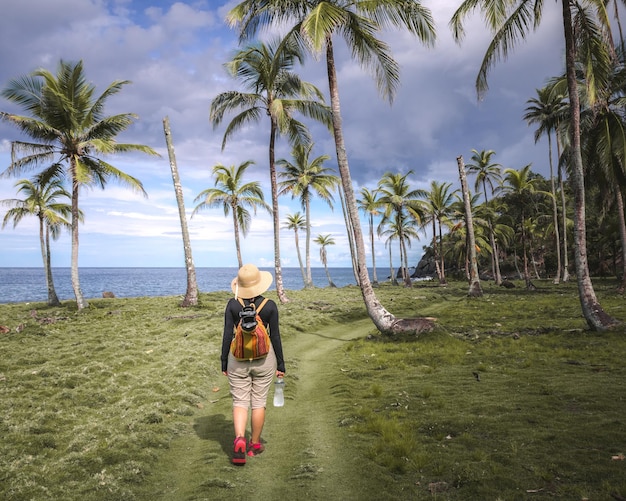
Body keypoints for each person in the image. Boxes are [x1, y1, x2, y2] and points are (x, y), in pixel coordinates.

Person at [221, 263, 285, 465]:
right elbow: (275, 336)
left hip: (237, 360)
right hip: (264, 360)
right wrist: (281, 365)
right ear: (259, 283)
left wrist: (224, 362)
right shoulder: (270, 306)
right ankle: (254, 445)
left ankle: (239, 439)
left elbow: (226, 335)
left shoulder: (232, 305)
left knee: (240, 401)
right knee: (258, 402)